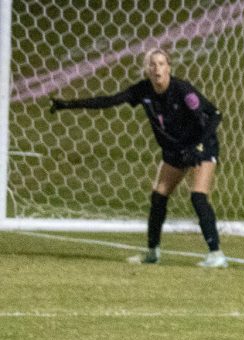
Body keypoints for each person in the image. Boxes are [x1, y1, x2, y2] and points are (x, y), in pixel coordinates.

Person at [49, 48, 227, 268]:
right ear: (147, 69)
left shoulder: (182, 90)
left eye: (161, 64)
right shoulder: (144, 91)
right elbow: (109, 101)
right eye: (152, 64)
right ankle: (152, 252)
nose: (157, 68)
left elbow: (214, 115)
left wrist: (197, 146)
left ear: (169, 67)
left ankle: (216, 254)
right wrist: (68, 105)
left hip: (201, 146)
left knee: (198, 196)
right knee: (158, 196)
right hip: (175, 150)